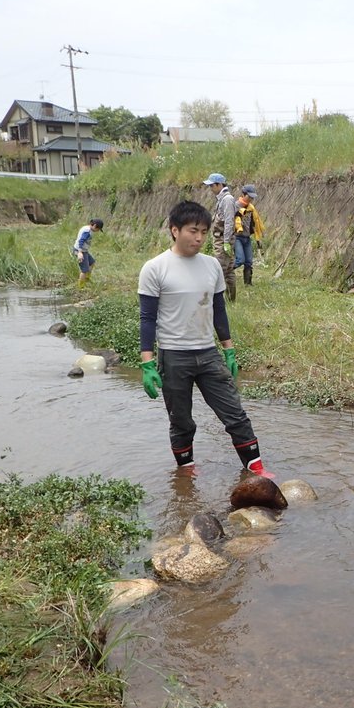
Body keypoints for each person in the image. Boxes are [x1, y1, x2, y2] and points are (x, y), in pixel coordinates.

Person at [138, 200, 274, 479]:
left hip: (208, 353)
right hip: (174, 356)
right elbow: (147, 319)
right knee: (181, 420)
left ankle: (256, 467)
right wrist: (148, 364)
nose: (199, 238)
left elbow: (219, 310)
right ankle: (186, 471)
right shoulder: (155, 268)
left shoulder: (211, 265)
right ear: (174, 230)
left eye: (203, 231)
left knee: (234, 412)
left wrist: (229, 350)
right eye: (192, 231)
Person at [203, 172, 237, 301]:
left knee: (220, 270)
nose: (210, 189)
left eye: (212, 186)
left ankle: (218, 301)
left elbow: (229, 221)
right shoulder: (222, 199)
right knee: (228, 270)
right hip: (221, 238)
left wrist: (226, 242)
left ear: (219, 185)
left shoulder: (227, 199)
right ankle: (230, 299)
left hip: (223, 239)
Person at [233, 184, 265, 286]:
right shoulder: (235, 206)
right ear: (243, 194)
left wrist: (258, 239)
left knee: (249, 262)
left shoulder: (251, 208)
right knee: (239, 260)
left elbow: (255, 224)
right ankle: (223, 272)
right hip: (237, 237)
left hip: (247, 238)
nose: (251, 199)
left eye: (252, 197)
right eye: (249, 196)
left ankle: (248, 283)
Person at [73, 217, 103, 286]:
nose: (98, 231)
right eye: (98, 229)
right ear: (95, 225)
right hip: (80, 251)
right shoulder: (87, 231)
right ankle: (81, 286)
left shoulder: (87, 228)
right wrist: (79, 253)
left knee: (92, 262)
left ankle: (87, 279)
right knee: (84, 270)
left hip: (84, 251)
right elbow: (81, 241)